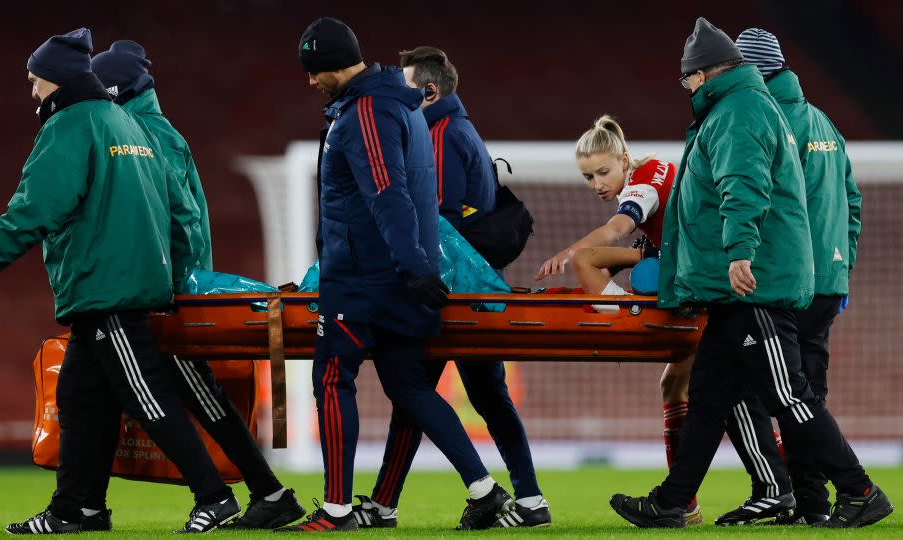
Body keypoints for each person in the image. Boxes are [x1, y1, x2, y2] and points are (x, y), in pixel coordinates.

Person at [0, 28, 242, 534]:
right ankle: (76, 509)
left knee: (146, 396)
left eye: (35, 82)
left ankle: (213, 496)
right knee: (79, 399)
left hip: (106, 288)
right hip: (120, 286)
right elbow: (170, 210)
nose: (33, 93)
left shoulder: (70, 126)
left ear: (58, 82)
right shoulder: (124, 123)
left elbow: (34, 208)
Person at [608, 17, 892, 529]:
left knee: (789, 395)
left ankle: (858, 490)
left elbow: (745, 186)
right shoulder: (770, 113)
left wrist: (740, 254)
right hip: (752, 282)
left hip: (757, 281)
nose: (687, 87)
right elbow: (847, 199)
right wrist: (839, 266)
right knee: (713, 392)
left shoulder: (739, 112)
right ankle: (674, 500)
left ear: (708, 73)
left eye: (687, 78)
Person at [276, 18, 512, 532]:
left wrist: (413, 265)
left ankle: (337, 510)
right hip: (398, 276)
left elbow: (388, 193)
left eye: (314, 71)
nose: (310, 82)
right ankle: (484, 488)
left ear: (334, 64)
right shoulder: (401, 110)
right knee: (408, 386)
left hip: (364, 279)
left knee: (333, 378)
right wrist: (418, 266)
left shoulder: (366, 112)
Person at [82, 40, 305, 531]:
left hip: (162, 289)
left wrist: (167, 281)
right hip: (170, 284)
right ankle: (269, 494)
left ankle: (222, 496)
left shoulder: (139, 134)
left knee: (178, 391)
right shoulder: (156, 129)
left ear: (113, 90)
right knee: (193, 391)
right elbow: (188, 219)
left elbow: (177, 220)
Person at [347, 46, 548, 530]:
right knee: (486, 397)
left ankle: (394, 503)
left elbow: (435, 221)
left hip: (449, 292)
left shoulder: (436, 134)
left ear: (429, 91)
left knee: (411, 390)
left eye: (407, 85)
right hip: (474, 288)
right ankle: (531, 499)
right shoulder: (463, 130)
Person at [713, 28, 866, 526]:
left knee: (773, 392)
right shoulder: (824, 122)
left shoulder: (769, 120)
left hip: (788, 282)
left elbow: (772, 204)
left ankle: (835, 492)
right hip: (830, 283)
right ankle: (813, 506)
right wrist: (843, 268)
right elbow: (853, 202)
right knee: (805, 395)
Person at [535, 116, 702, 524]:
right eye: (588, 176)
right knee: (679, 387)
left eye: (603, 171)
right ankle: (688, 505)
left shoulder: (642, 183)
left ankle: (623, 313)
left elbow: (616, 228)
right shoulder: (659, 169)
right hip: (695, 282)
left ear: (624, 159)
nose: (596, 184)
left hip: (697, 293)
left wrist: (570, 253)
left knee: (735, 402)